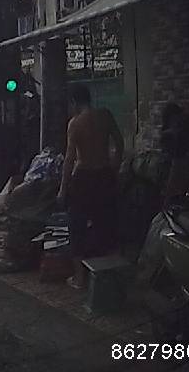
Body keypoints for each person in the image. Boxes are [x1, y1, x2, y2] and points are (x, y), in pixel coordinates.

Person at [58, 84, 124, 281]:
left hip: (83, 178)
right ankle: (109, 273)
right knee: (107, 223)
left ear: (74, 102)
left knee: (76, 227)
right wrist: (114, 167)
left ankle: (79, 278)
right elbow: (119, 142)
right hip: (105, 175)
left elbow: (70, 159)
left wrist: (62, 189)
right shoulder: (105, 115)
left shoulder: (75, 123)